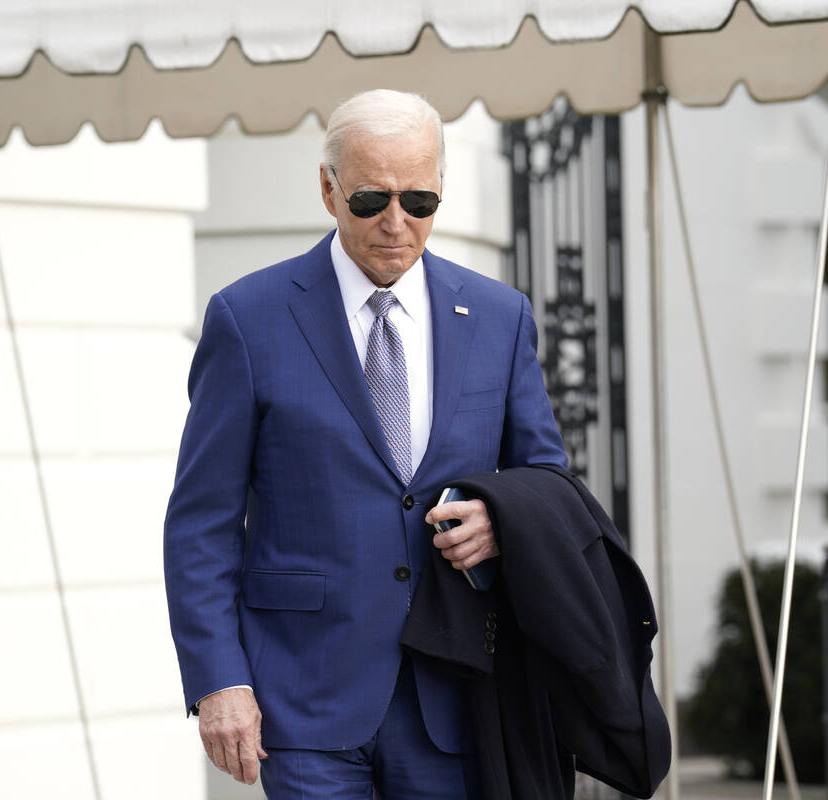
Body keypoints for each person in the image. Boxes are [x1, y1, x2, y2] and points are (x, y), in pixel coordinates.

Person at [163, 88, 567, 799]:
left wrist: (503, 520)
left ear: (441, 190)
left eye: (418, 202)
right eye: (370, 200)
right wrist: (218, 678)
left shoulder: (500, 318)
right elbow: (202, 522)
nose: (395, 223)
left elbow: (548, 479)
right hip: (304, 696)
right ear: (328, 189)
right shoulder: (247, 319)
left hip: (457, 692)